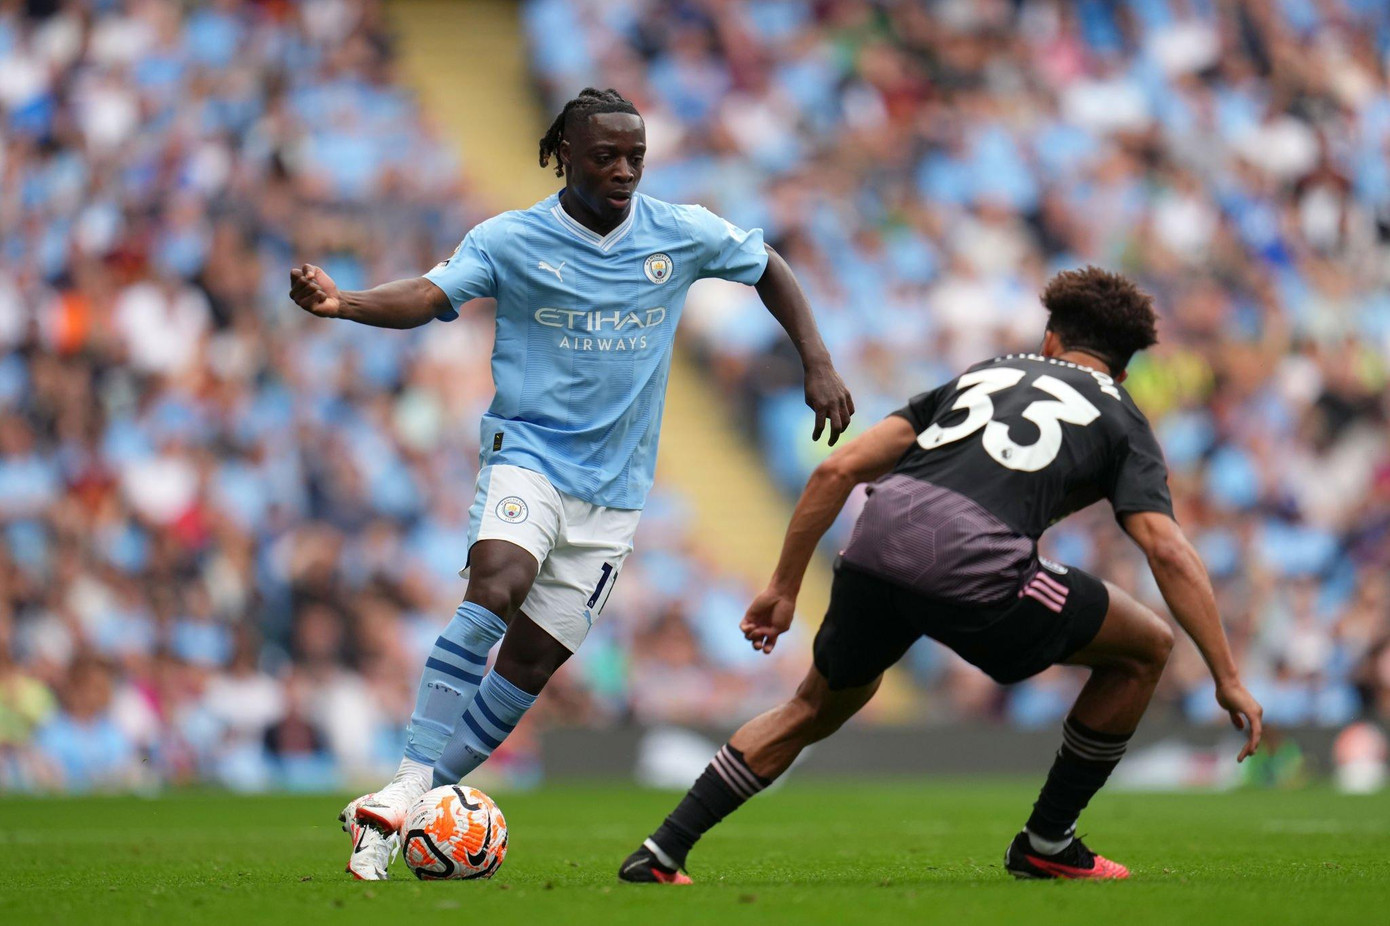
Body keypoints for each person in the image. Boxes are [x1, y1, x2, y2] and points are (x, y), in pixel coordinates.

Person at [288, 88, 854, 880]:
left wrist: (817, 361)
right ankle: (415, 777)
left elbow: (771, 268)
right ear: (565, 155)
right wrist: (343, 302)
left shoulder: (678, 232)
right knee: (498, 581)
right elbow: (427, 295)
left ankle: (399, 810)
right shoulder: (511, 239)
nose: (623, 170)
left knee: (528, 666)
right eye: (605, 156)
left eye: (635, 156)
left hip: (615, 494)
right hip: (530, 456)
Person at [618, 267, 1263, 884]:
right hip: (975, 564)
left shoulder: (986, 373)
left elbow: (835, 472)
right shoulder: (1121, 413)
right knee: (1145, 648)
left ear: (1050, 340)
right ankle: (1047, 843)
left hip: (876, 540)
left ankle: (662, 850)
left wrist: (784, 587)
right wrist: (1227, 677)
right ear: (1125, 370)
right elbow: (1168, 550)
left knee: (811, 706)